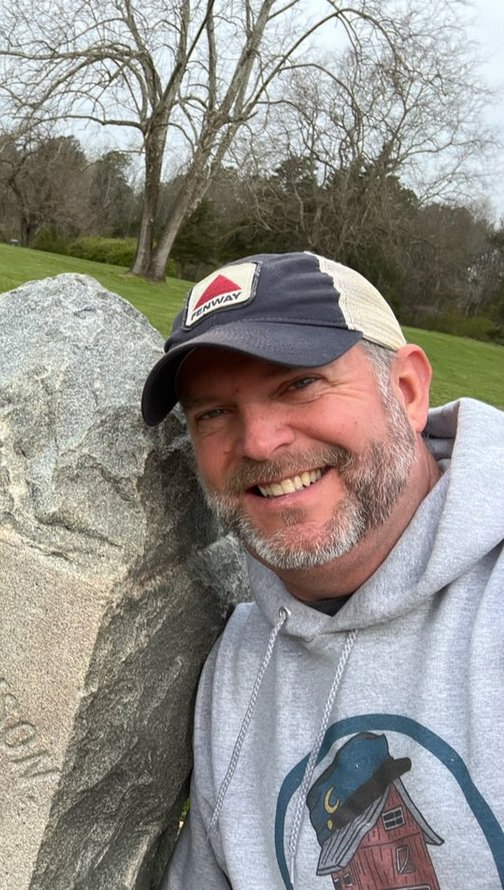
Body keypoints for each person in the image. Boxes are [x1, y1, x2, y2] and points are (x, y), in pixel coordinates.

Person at [141, 252, 504, 888]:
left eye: (298, 384)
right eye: (213, 414)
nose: (257, 442)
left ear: (408, 390)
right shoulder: (235, 671)